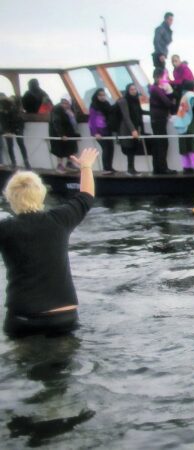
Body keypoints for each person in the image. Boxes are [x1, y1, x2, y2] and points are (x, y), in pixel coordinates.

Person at [0, 148, 99, 338]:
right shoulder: (60, 219)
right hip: (63, 316)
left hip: (23, 318)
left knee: (24, 361)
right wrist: (86, 167)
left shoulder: (5, 229)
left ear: (10, 198)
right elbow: (86, 195)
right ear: (42, 194)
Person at [149, 69, 176, 175]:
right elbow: (167, 102)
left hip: (157, 118)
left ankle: (157, 168)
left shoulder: (154, 89)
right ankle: (163, 168)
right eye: (162, 77)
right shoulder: (156, 89)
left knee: (158, 143)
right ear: (156, 78)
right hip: (158, 118)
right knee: (162, 143)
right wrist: (172, 101)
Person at [173, 80, 194, 174]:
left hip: (182, 123)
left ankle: (186, 167)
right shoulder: (192, 95)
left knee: (184, 146)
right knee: (193, 146)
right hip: (190, 123)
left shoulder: (184, 96)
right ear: (193, 87)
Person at [116, 83, 145, 175]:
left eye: (135, 89)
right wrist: (133, 130)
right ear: (128, 91)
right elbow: (126, 116)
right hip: (126, 129)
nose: (134, 91)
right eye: (131, 90)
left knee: (133, 148)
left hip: (134, 127)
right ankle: (130, 169)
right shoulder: (124, 101)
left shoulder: (135, 100)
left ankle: (132, 168)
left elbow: (139, 111)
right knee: (129, 148)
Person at [49, 94, 80, 172]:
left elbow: (74, 122)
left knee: (71, 148)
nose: (65, 105)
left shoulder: (71, 110)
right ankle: (59, 165)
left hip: (69, 133)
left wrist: (72, 116)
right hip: (58, 133)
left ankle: (69, 163)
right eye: (63, 103)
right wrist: (61, 134)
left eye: (67, 103)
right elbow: (56, 122)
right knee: (60, 150)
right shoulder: (57, 109)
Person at [88, 89, 116, 174]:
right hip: (99, 131)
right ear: (96, 96)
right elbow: (92, 120)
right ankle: (105, 168)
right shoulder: (93, 106)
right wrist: (95, 133)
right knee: (106, 148)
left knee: (111, 148)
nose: (102, 97)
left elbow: (111, 112)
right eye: (100, 95)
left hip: (107, 129)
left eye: (104, 95)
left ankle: (109, 167)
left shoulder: (106, 104)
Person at [0, 94, 31, 169]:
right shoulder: (2, 112)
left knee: (20, 143)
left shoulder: (14, 110)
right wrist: (6, 131)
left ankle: (26, 162)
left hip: (18, 127)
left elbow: (16, 121)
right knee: (10, 145)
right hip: (9, 128)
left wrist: (11, 131)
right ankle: (13, 163)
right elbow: (3, 122)